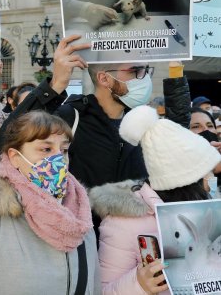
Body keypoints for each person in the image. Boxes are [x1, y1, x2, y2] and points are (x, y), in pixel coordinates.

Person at [0, 34, 191, 189]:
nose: (144, 77)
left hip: (132, 234)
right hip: (85, 234)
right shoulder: (71, 118)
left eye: (146, 70)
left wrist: (175, 73)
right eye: (136, 71)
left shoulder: (141, 123)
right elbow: (7, 140)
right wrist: (55, 86)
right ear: (104, 79)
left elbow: (177, 139)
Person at [0, 111, 99, 294]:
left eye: (63, 150)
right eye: (46, 149)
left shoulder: (80, 213)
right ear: (15, 157)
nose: (59, 160)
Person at [89, 105, 220, 295]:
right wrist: (139, 284)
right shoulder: (124, 221)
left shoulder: (208, 202)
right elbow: (103, 290)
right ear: (188, 179)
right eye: (203, 172)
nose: (208, 178)